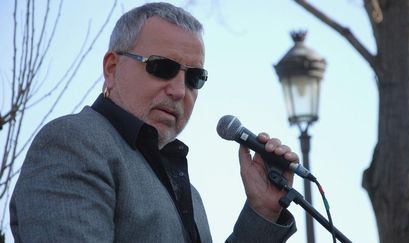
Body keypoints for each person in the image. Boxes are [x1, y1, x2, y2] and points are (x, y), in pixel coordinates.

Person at [10, 2, 298, 242]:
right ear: (112, 68)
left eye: (194, 77)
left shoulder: (190, 194)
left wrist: (262, 211)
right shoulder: (73, 141)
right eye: (161, 67)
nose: (179, 90)